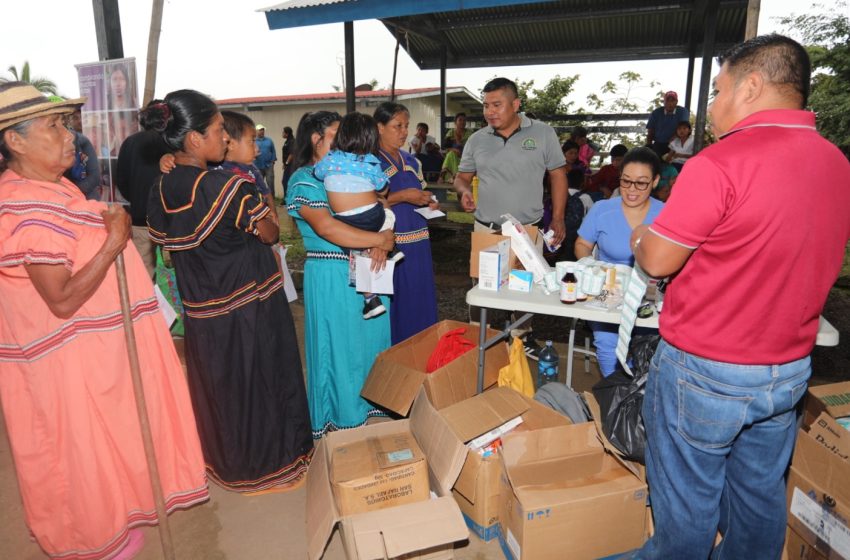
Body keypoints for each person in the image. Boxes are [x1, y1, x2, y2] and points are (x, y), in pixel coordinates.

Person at [630, 35, 850, 559]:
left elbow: (659, 260)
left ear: (751, 87)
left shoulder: (721, 162)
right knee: (758, 498)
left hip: (708, 369)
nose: (710, 107)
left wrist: (640, 234)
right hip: (789, 367)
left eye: (719, 89)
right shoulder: (835, 163)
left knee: (687, 505)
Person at [0, 82, 207, 560]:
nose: (70, 134)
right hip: (59, 365)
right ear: (15, 140)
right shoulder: (27, 204)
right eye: (54, 125)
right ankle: (90, 541)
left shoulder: (52, 187)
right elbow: (61, 299)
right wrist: (115, 240)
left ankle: (108, 526)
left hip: (86, 359)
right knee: (75, 457)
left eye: (65, 122)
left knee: (101, 450)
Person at [145, 90, 313, 493]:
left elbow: (165, 241)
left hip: (203, 311)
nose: (225, 137)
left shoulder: (162, 189)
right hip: (250, 304)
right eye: (219, 129)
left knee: (221, 389)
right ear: (194, 139)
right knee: (262, 383)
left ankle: (227, 465)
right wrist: (264, 214)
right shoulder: (225, 187)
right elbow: (269, 231)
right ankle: (273, 466)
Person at [285, 110, 395, 438]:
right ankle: (341, 416)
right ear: (317, 139)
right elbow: (327, 227)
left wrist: (381, 242)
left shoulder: (354, 166)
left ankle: (370, 406)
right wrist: (380, 240)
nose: (344, 138)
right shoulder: (303, 180)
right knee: (340, 348)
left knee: (371, 341)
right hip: (332, 273)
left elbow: (380, 203)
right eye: (336, 133)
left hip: (368, 266)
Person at [454, 78, 567, 358]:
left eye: (497, 104)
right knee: (481, 288)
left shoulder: (542, 133)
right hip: (486, 229)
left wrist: (559, 218)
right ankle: (478, 338)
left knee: (525, 289)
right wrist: (464, 191)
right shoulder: (477, 139)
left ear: (515, 105)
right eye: (485, 106)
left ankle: (522, 338)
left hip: (527, 230)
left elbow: (558, 175)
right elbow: (462, 177)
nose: (490, 112)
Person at [575, 147, 664, 377]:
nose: (631, 190)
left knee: (648, 345)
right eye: (626, 182)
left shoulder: (666, 215)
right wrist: (592, 268)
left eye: (641, 183)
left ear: (655, 181)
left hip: (649, 297)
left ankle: (637, 395)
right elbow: (582, 244)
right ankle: (615, 397)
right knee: (607, 344)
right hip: (608, 292)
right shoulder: (602, 209)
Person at [313, 111, 394, 319]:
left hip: (346, 220)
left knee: (354, 249)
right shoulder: (371, 162)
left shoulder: (330, 160)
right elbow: (384, 189)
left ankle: (370, 298)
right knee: (386, 210)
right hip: (373, 216)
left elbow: (317, 174)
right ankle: (394, 248)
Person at [374, 102, 440, 344]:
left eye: (406, 126)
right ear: (379, 127)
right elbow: (366, 203)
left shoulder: (412, 160)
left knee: (420, 295)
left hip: (419, 239)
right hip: (392, 243)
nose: (403, 132)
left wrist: (429, 201)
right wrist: (403, 196)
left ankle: (423, 350)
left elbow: (421, 191)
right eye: (397, 126)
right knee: (398, 299)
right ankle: (398, 354)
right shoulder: (371, 161)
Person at [115, 99, 171, 277]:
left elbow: (121, 179)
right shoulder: (172, 142)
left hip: (140, 217)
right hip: (169, 219)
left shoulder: (129, 142)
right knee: (172, 272)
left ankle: (146, 303)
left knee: (143, 272)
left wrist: (136, 198)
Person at [62, 106, 101, 199]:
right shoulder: (49, 143)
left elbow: (94, 176)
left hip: (85, 198)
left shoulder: (82, 141)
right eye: (75, 118)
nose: (80, 121)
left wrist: (71, 193)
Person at [253, 123, 277, 196]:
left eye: (263, 130)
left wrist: (273, 161)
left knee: (270, 183)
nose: (262, 131)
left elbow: (273, 151)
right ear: (256, 131)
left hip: (268, 165)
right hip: (258, 166)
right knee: (259, 184)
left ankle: (272, 199)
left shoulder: (269, 140)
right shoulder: (253, 141)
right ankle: (261, 200)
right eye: (260, 130)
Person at [281, 125, 295, 194]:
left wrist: (286, 163)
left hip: (291, 165)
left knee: (286, 181)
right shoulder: (287, 141)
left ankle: (288, 198)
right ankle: (286, 198)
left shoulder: (292, 141)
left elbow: (291, 154)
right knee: (285, 181)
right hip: (288, 165)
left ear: (287, 133)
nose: (282, 134)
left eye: (283, 132)